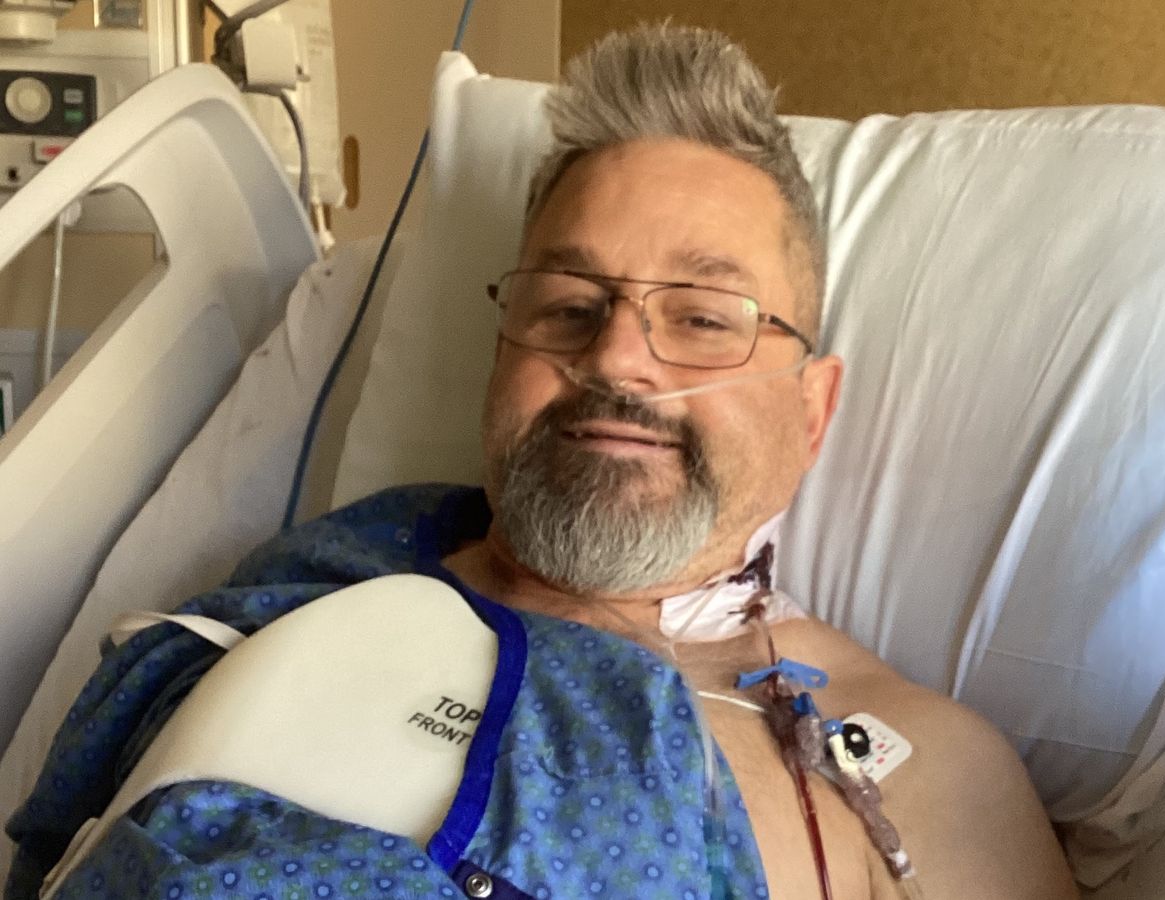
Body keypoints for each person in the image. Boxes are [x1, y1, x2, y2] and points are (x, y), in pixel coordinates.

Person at [6, 23, 1078, 900]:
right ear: (499, 359)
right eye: (568, 306)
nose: (614, 358)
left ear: (813, 408)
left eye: (703, 318)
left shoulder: (924, 779)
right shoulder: (310, 589)